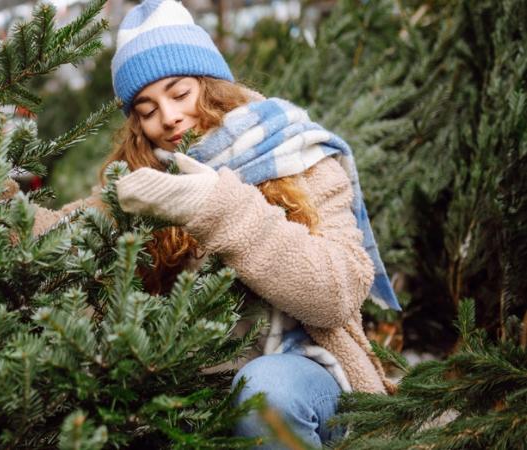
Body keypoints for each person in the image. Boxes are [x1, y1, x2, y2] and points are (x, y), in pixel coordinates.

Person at [28, 0, 401, 447]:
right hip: (195, 388)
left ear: (211, 85)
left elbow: (337, 294)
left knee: (266, 391)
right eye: (146, 110)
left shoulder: (299, 156)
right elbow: (66, 234)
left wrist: (217, 208)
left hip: (306, 376)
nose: (168, 117)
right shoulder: (147, 184)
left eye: (179, 93)